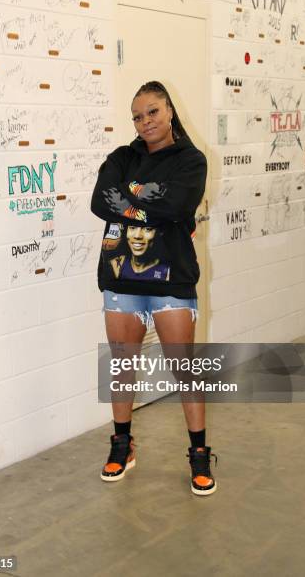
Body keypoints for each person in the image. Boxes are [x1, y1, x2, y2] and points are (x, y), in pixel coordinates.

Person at [90, 80, 218, 496]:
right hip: (120, 276)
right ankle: (122, 444)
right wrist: (149, 205)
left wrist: (127, 199)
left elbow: (179, 206)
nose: (145, 122)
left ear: (169, 112)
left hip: (172, 278)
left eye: (152, 113)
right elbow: (98, 200)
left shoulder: (191, 160)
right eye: (137, 116)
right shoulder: (122, 156)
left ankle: (199, 454)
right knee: (122, 366)